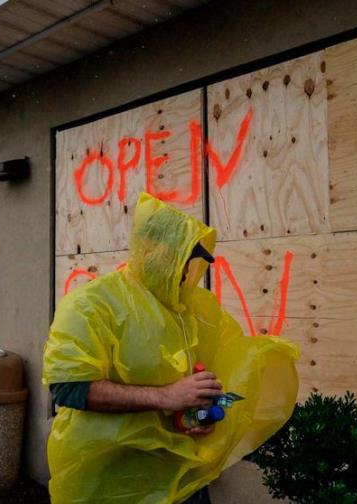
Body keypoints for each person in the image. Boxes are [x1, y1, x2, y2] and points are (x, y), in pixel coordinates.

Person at [43, 193, 299, 503]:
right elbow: (67, 388)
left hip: (181, 476)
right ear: (148, 250)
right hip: (111, 479)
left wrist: (202, 412)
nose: (186, 271)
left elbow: (216, 367)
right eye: (180, 259)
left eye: (190, 261)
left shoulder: (193, 307)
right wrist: (166, 396)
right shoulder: (91, 305)